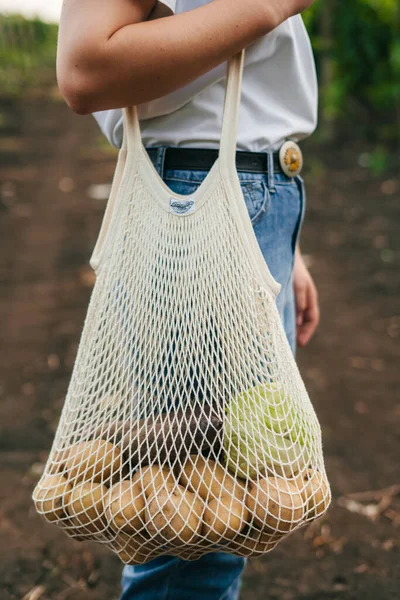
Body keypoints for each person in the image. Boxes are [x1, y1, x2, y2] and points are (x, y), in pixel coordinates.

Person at [57, 1, 320, 598]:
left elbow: (236, 91)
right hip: (202, 196)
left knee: (219, 509)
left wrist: (285, 244)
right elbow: (85, 69)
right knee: (192, 539)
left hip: (241, 198)